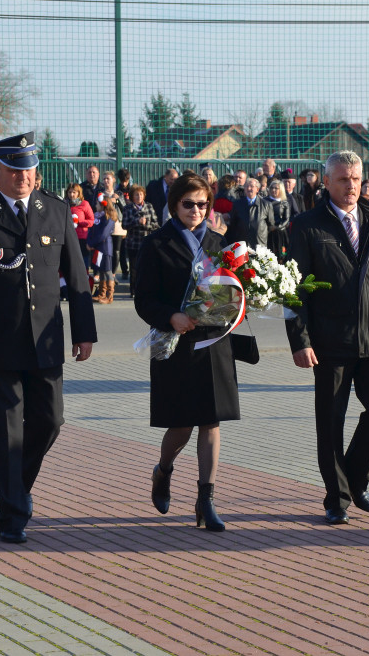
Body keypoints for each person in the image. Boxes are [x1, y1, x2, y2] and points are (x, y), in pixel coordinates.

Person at [0, 132, 96, 544]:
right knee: (6, 429)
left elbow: (77, 275)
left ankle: (16, 490)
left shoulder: (55, 210)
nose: (24, 177)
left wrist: (84, 331)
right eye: (14, 170)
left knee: (50, 421)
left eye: (29, 169)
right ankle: (12, 513)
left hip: (45, 341)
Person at [285, 151, 369, 525]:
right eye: (342, 179)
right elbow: (293, 292)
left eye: (356, 179)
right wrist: (300, 340)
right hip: (329, 342)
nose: (351, 186)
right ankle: (336, 498)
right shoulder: (307, 226)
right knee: (331, 421)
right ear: (326, 182)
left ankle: (355, 480)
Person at [133, 173, 238, 532]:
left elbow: (233, 288)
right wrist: (171, 316)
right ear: (175, 205)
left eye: (203, 204)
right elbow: (143, 299)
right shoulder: (156, 244)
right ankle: (163, 471)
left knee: (211, 421)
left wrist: (235, 306)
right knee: (181, 425)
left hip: (213, 344)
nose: (196, 210)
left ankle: (206, 500)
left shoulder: (220, 242)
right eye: (189, 204)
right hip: (175, 345)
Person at [121, 184, 159, 296]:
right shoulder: (128, 208)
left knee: (147, 268)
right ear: (132, 196)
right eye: (136, 194)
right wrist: (137, 222)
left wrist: (146, 224)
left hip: (147, 242)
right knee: (134, 268)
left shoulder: (149, 206)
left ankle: (146, 290)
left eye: (141, 194)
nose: (138, 196)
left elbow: (156, 224)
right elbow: (124, 224)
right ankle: (133, 290)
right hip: (133, 243)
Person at [226, 178, 274, 250]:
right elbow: (233, 224)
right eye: (246, 186)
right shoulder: (237, 204)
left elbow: (270, 225)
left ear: (257, 189)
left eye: (251, 186)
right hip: (242, 245)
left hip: (259, 244)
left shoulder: (266, 205)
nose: (249, 188)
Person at [87, 195, 117, 304]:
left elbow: (103, 234)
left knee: (108, 271)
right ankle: (101, 294)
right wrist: (89, 242)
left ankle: (109, 296)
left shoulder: (109, 217)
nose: (95, 206)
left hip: (105, 248)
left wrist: (92, 242)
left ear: (103, 205)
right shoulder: (98, 216)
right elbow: (92, 230)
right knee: (102, 271)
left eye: (97, 204)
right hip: (98, 248)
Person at [65, 183, 94, 269]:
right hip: (68, 236)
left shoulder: (84, 204)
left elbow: (91, 221)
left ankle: (85, 277)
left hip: (81, 237)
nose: (71, 195)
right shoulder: (64, 203)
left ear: (78, 193)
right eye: (69, 192)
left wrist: (79, 222)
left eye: (74, 192)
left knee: (83, 260)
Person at [265, 179, 291, 260]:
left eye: (276, 188)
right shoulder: (264, 201)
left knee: (281, 255)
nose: (273, 190)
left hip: (280, 233)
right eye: (272, 188)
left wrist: (276, 227)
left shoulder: (284, 203)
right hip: (267, 232)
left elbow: (286, 219)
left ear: (281, 190)